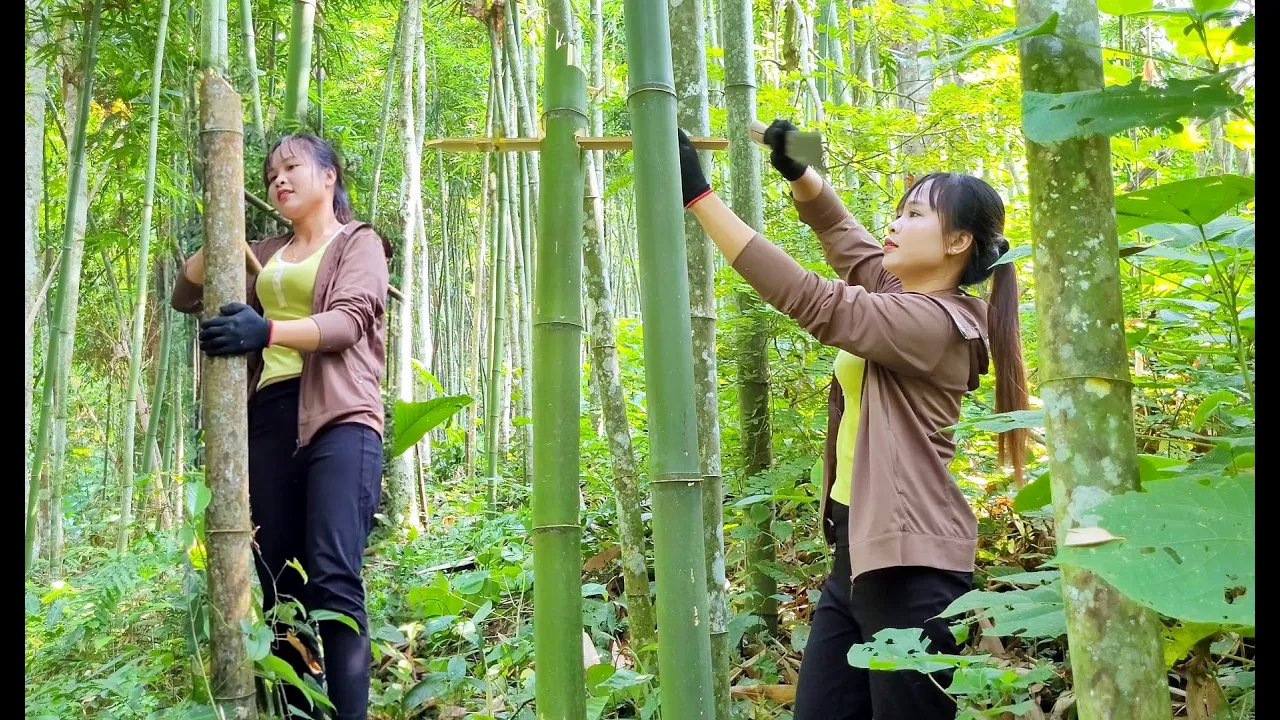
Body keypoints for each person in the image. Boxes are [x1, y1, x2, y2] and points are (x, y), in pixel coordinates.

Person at [677, 120, 1028, 720]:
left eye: (915, 215)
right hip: (858, 559)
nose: (894, 223)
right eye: (898, 212)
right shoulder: (905, 298)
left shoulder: (936, 325)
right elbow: (844, 235)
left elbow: (812, 298)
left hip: (913, 574)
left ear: (958, 242)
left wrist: (698, 197)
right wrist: (799, 164)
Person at [172, 133, 390, 719]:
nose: (279, 181)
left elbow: (347, 323)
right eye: (270, 176)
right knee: (281, 589)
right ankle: (300, 711)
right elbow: (184, 294)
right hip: (267, 420)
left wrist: (264, 331)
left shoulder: (358, 242)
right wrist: (223, 229)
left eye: (292, 168)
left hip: (340, 417)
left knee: (334, 581)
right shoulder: (264, 254)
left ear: (329, 176)